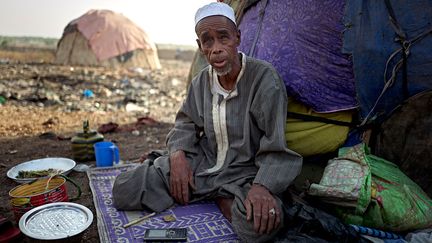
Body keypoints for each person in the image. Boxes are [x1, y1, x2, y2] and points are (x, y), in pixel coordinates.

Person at [112, 2, 302, 242]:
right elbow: (185, 123)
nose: (216, 49)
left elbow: (275, 146)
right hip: (203, 165)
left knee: (259, 225)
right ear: (200, 47)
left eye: (224, 38)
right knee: (124, 188)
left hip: (244, 174)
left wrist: (263, 186)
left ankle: (221, 197)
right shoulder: (202, 82)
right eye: (207, 41)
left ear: (237, 38)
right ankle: (212, 193)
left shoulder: (264, 80)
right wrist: (177, 155)